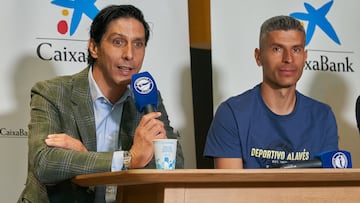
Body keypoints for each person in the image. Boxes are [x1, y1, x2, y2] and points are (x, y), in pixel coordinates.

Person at [18, 4, 184, 203]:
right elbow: (44, 163)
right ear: (94, 47)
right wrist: (127, 159)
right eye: (118, 42)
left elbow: (175, 164)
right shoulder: (52, 92)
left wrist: (86, 157)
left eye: (138, 44)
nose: (129, 54)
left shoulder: (147, 96)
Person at [203, 15, 338, 169]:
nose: (288, 59)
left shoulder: (323, 116)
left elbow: (328, 187)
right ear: (258, 57)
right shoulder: (232, 114)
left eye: (296, 49)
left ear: (305, 57)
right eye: (277, 49)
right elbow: (231, 190)